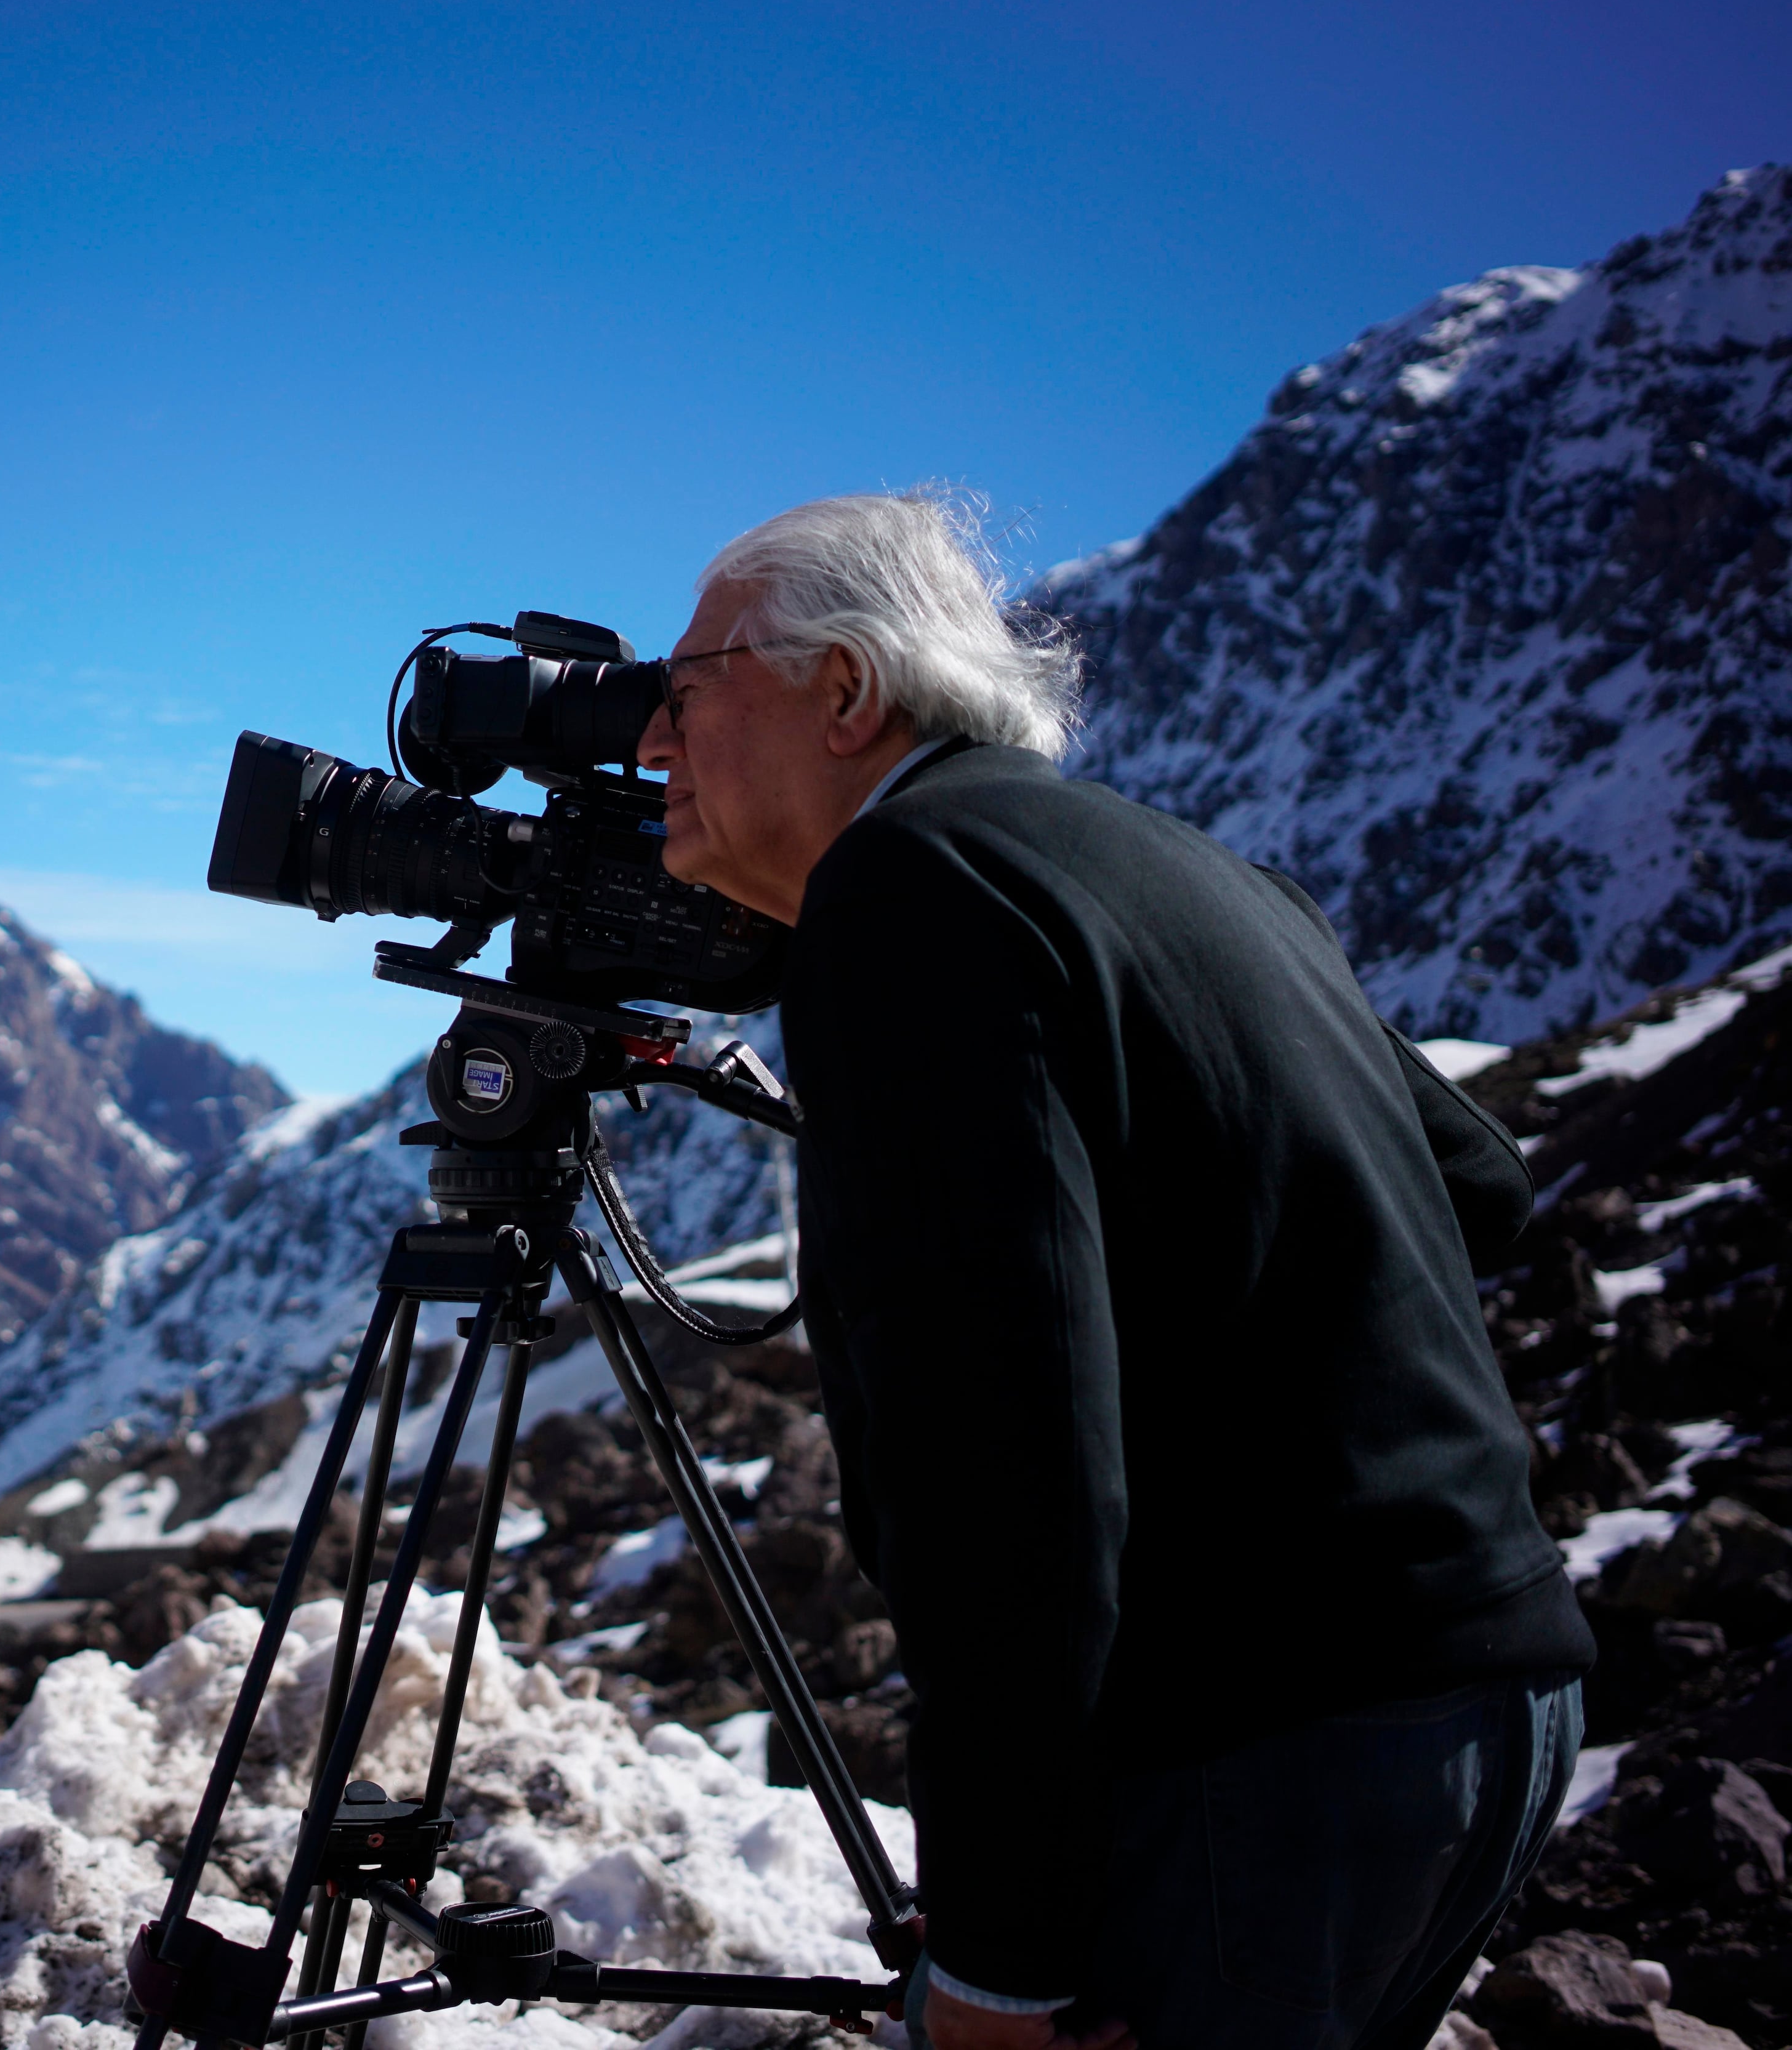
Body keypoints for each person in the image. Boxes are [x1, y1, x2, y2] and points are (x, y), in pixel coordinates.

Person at [633, 494, 1592, 2050]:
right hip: (1492, 1695)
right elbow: (1477, 1184)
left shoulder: (910, 889)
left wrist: (1004, 1952)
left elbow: (999, 1460)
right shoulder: (1175, 862)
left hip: (1268, 1750)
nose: (650, 742)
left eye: (681, 691)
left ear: (845, 691)